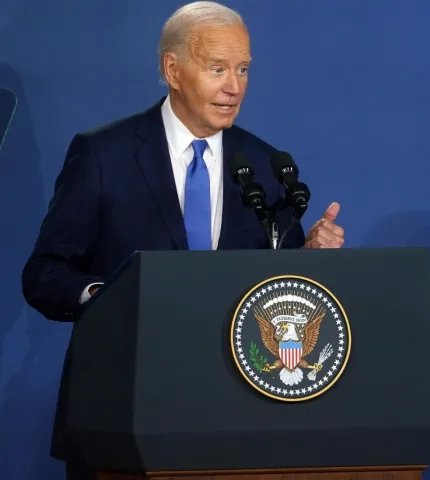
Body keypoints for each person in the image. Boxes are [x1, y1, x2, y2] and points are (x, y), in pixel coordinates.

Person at [20, 2, 345, 479]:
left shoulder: (265, 164)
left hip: (237, 419)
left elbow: (276, 288)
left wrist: (310, 261)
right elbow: (45, 274)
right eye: (218, 69)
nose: (234, 87)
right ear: (173, 70)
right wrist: (104, 299)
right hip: (122, 412)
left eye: (243, 69)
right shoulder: (102, 155)